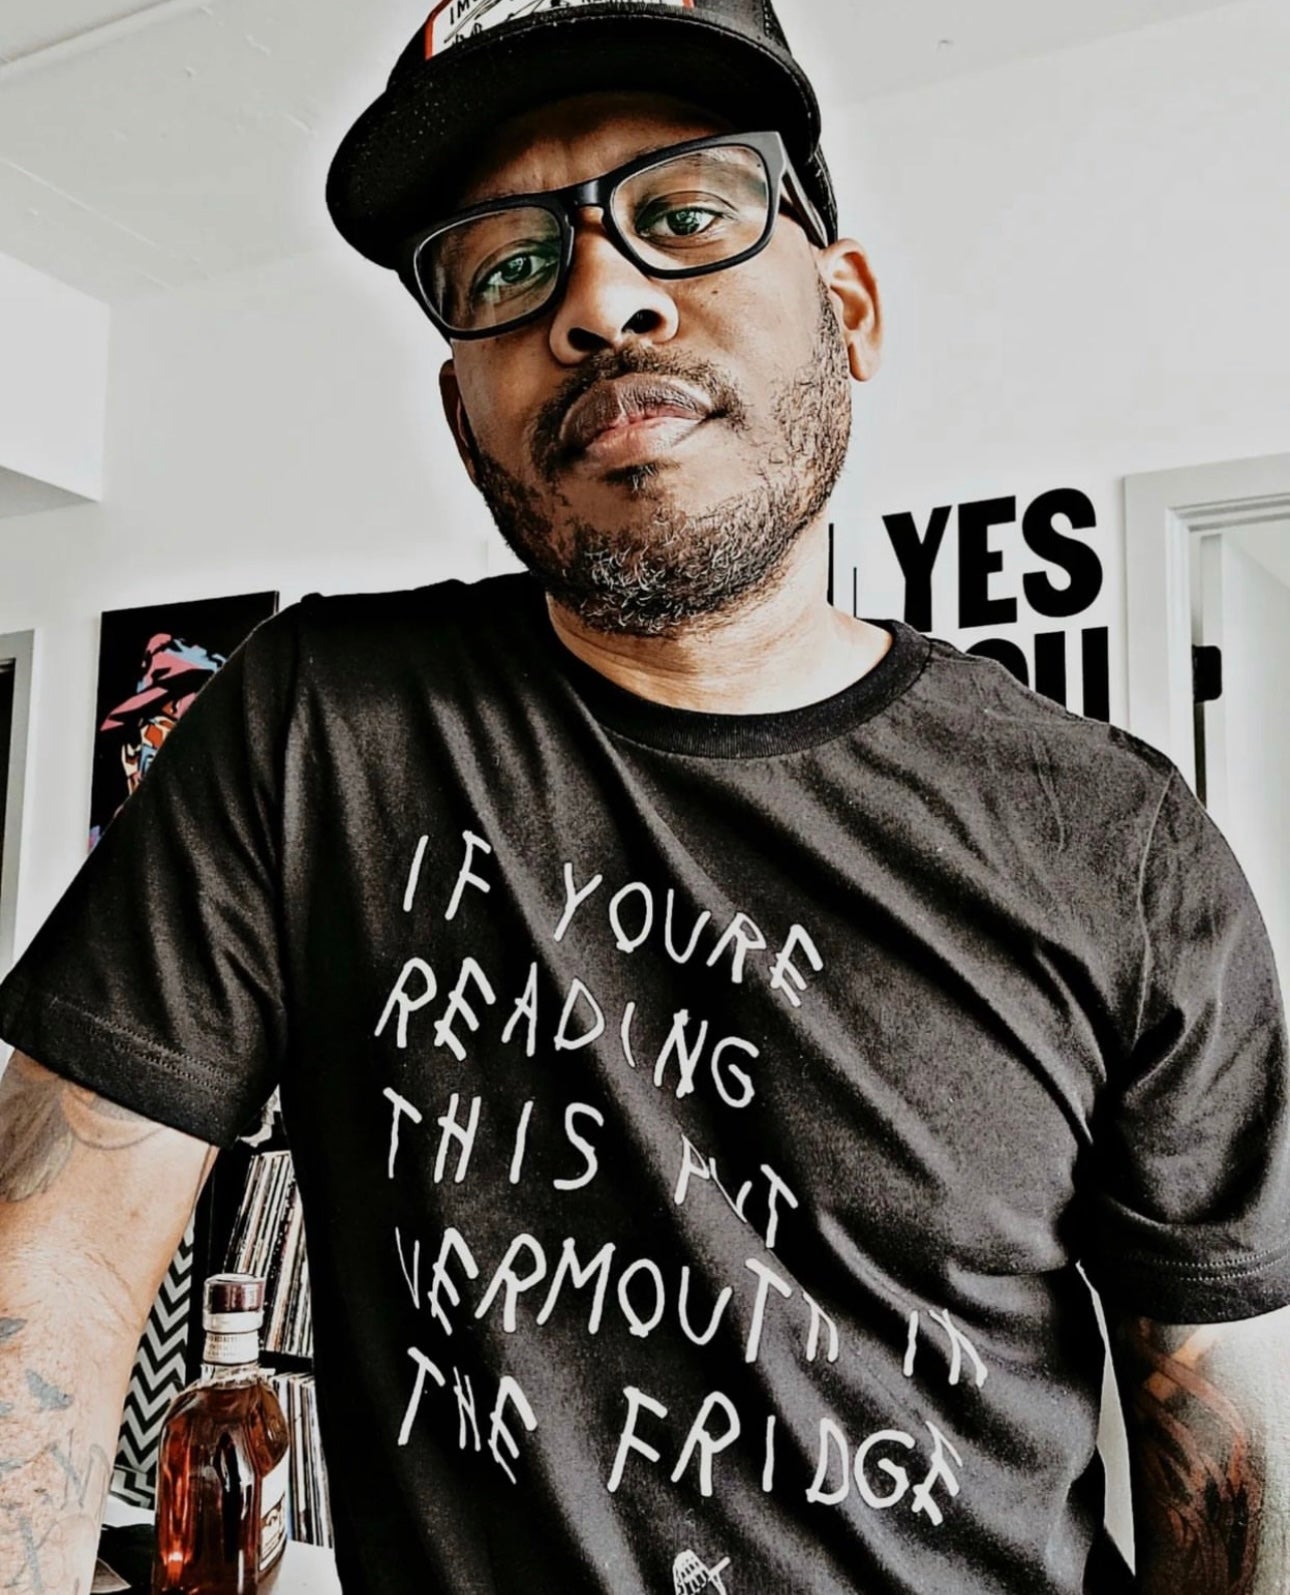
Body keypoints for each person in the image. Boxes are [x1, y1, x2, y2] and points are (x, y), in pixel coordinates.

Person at [1, 1, 1287, 1591]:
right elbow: (45, 1284)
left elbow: (1225, 1440)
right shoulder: (314, 724)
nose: (601, 302)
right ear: (460, 408)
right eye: (505, 265)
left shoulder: (1118, 840)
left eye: (684, 213)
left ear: (847, 309)